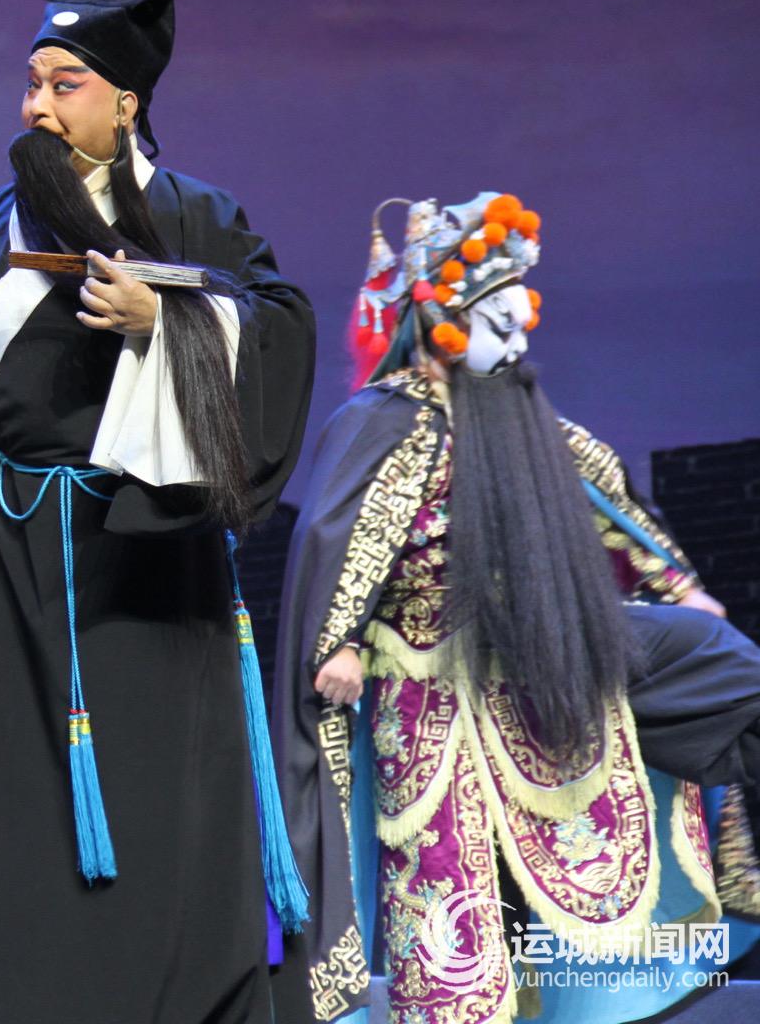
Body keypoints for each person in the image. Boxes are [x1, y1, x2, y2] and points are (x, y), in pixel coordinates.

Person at [0, 0, 316, 1023]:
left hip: (151, 561)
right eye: (31, 84)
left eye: (65, 86)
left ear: (126, 102)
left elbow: (275, 327)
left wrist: (168, 321)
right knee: (23, 819)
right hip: (19, 560)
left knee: (167, 809)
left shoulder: (196, 213)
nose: (37, 109)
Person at [271, 192, 760, 1024]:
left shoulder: (524, 420)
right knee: (451, 892)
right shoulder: (381, 421)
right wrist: (339, 642)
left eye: (518, 321)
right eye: (499, 325)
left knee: (724, 667)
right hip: (424, 687)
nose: (518, 343)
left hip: (533, 670)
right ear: (443, 324)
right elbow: (343, 542)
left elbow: (606, 499)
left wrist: (679, 589)